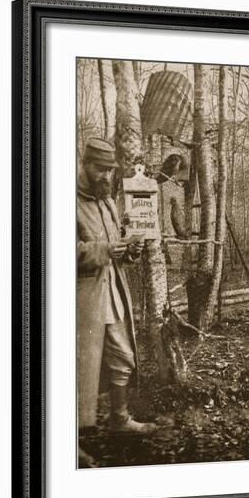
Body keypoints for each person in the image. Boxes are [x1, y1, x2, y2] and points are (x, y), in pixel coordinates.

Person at [77, 137, 157, 440]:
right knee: (77, 367)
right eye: (100, 169)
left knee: (123, 355)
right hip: (83, 298)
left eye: (110, 170)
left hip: (113, 291)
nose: (107, 176)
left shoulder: (108, 200)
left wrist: (129, 250)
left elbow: (116, 241)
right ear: (84, 165)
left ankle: (119, 419)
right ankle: (66, 445)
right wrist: (107, 250)